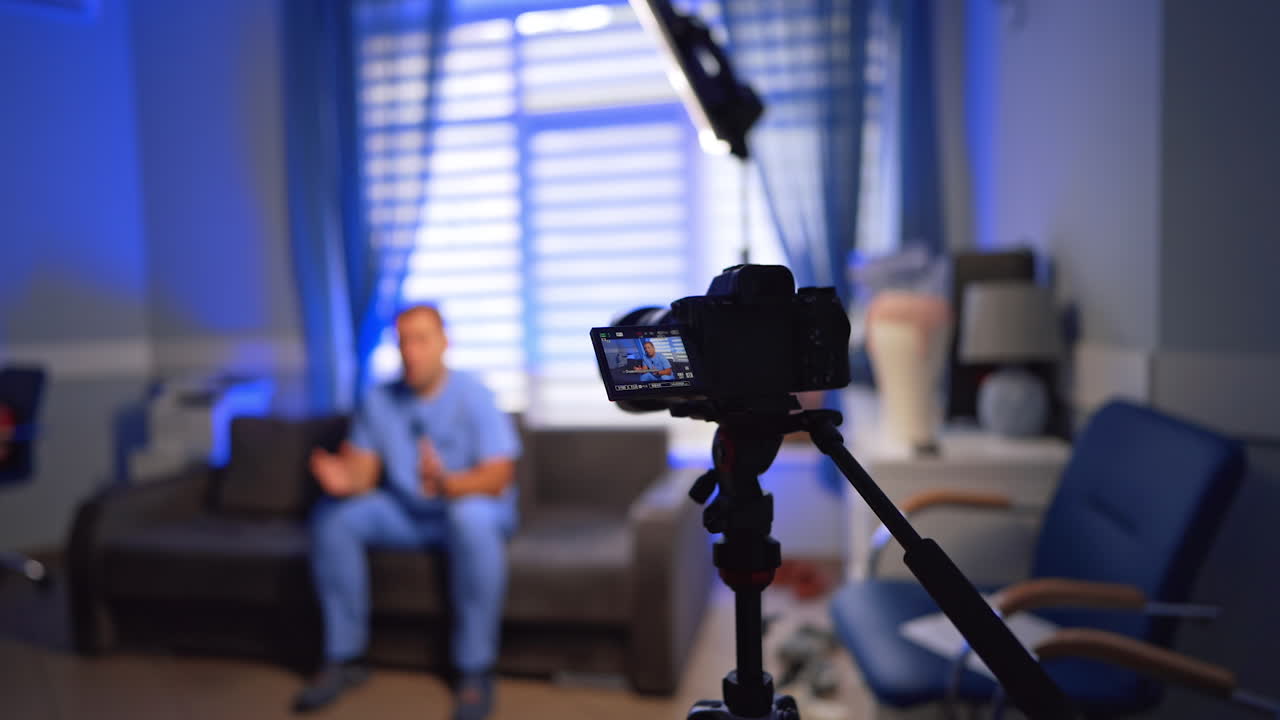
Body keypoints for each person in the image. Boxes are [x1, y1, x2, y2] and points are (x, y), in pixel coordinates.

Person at [293, 305, 519, 720]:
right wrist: (344, 480)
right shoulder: (379, 399)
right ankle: (345, 658)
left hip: (469, 508)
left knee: (469, 517)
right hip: (407, 513)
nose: (411, 352)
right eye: (403, 342)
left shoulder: (475, 393)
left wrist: (449, 484)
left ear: (444, 343)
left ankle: (475, 668)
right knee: (335, 518)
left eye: (421, 340)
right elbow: (364, 474)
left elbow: (499, 475)